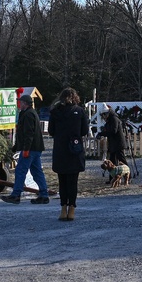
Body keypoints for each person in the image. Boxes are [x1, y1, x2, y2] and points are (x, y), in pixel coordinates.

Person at [1, 94, 50, 205]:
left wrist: (26, 149)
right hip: (36, 148)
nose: (19, 103)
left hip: (30, 149)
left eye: (21, 102)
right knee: (37, 172)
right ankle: (44, 194)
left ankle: (16, 195)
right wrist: (16, 147)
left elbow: (28, 134)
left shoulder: (28, 115)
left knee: (20, 170)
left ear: (25, 103)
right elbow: (26, 134)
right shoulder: (30, 113)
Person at [49, 87, 89, 221]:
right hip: (74, 148)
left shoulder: (55, 112)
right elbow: (84, 131)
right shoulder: (80, 111)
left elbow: (51, 131)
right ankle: (72, 208)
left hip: (60, 149)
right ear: (75, 97)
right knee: (73, 181)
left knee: (62, 181)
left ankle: (63, 208)